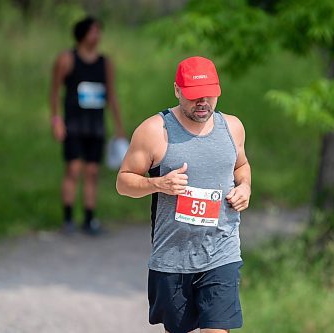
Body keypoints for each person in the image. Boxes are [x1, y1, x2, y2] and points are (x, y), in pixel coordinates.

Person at [116, 56, 251, 333]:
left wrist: (245, 187)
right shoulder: (155, 130)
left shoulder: (232, 127)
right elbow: (123, 182)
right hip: (173, 257)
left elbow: (241, 165)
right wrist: (158, 184)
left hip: (221, 252)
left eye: (209, 95)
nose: (203, 102)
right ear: (177, 90)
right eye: (193, 96)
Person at [50, 16, 125, 235]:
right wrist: (56, 120)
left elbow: (112, 95)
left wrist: (119, 127)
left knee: (92, 172)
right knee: (73, 170)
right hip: (73, 124)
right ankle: (68, 219)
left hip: (96, 125)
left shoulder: (105, 62)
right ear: (82, 34)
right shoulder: (67, 59)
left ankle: (90, 219)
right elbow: (54, 91)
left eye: (98, 31)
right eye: (93, 31)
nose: (97, 35)